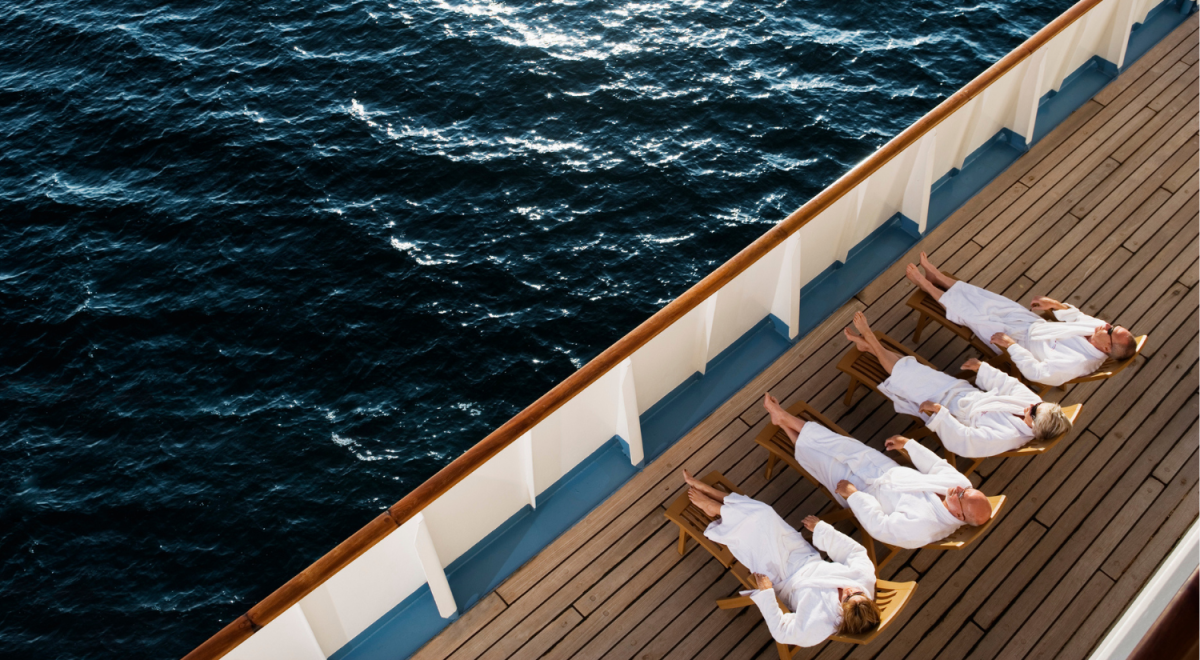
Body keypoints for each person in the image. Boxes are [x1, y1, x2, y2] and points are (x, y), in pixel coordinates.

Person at [762, 393, 993, 549]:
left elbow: (880, 526)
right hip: (883, 468)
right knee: (838, 443)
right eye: (966, 490)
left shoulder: (924, 530)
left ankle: (782, 424)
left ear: (960, 517)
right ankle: (782, 418)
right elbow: (936, 466)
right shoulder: (960, 485)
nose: (959, 489)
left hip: (864, 491)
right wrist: (909, 445)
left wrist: (854, 495)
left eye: (961, 497)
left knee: (822, 461)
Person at [684, 470, 880, 646]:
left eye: (847, 596)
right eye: (858, 593)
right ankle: (715, 501)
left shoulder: (819, 626)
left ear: (843, 612)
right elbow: (854, 552)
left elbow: (782, 633)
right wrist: (822, 529)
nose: (850, 589)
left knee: (755, 529)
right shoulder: (864, 580)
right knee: (765, 513)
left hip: (780, 576)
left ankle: (714, 504)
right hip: (803, 555)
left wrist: (767, 593)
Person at [843, 311, 1072, 458]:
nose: (1029, 406)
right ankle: (870, 346)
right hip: (961, 391)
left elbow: (965, 440)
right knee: (913, 370)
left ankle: (871, 341)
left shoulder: (1005, 437)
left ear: (1033, 428)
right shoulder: (1032, 404)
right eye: (1037, 405)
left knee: (904, 377)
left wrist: (939, 412)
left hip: (947, 409)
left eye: (1032, 412)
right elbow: (1008, 385)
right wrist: (982, 369)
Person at [905, 252, 1137, 386]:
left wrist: (1012, 346)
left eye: (1110, 331)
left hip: (1017, 342)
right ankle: (936, 276)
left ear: (1106, 347)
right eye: (1113, 325)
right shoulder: (1096, 329)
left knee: (973, 314)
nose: (1106, 325)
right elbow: (1076, 316)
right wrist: (1055, 305)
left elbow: (1038, 373)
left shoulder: (1077, 363)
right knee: (988, 299)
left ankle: (925, 285)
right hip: (1032, 324)